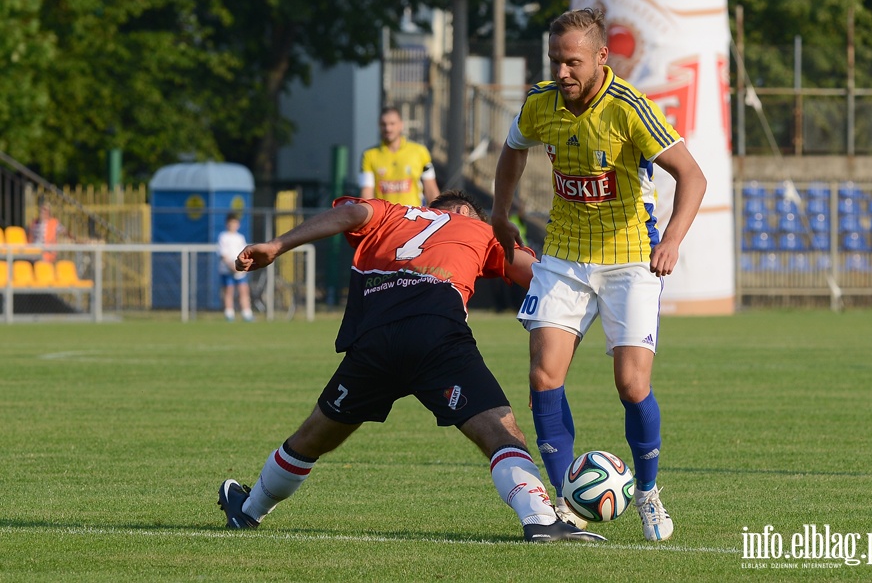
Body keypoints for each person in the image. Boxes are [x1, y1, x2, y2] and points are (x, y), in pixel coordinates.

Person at [217, 190, 605, 543]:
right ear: (466, 212)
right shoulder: (482, 230)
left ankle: (250, 509)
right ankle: (539, 519)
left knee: (313, 437)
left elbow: (351, 213)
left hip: (375, 337)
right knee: (501, 433)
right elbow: (536, 275)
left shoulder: (391, 212)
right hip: (435, 328)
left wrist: (276, 245)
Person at [490, 8, 708, 542]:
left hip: (632, 259)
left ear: (601, 58)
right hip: (563, 257)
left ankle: (649, 494)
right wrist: (499, 214)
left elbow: (693, 177)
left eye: (573, 62)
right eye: (555, 61)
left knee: (632, 385)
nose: (562, 72)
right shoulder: (541, 103)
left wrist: (673, 241)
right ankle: (567, 499)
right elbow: (511, 152)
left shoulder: (630, 108)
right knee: (544, 377)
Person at [359, 107, 440, 206]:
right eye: (383, 124)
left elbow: (431, 188)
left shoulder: (420, 152)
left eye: (392, 124)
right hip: (385, 218)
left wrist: (438, 214)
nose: (388, 128)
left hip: (413, 216)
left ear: (401, 125)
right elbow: (367, 192)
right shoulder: (369, 155)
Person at [217, 213, 253, 322]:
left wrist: (242, 266)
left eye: (235, 223)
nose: (233, 225)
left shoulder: (240, 237)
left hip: (239, 270)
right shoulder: (223, 237)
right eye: (231, 223)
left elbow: (245, 252)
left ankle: (246, 313)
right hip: (227, 269)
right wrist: (231, 266)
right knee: (229, 291)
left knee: (244, 290)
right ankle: (229, 313)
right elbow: (223, 254)